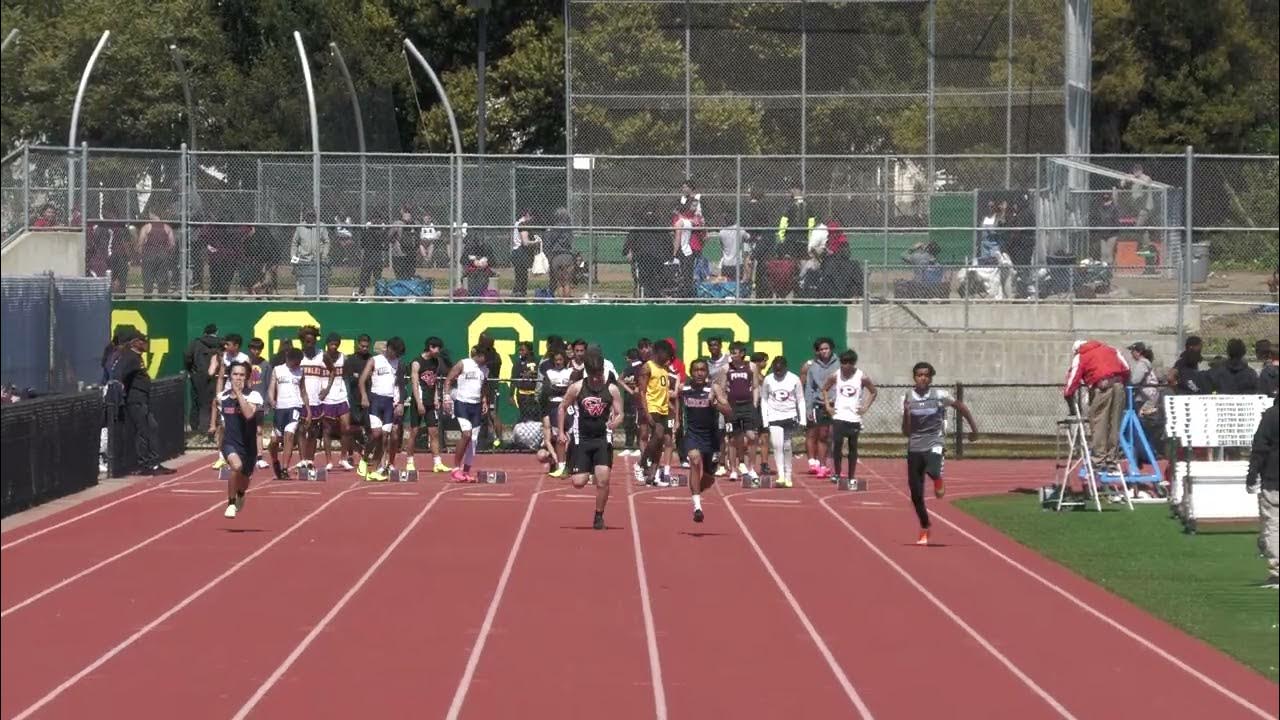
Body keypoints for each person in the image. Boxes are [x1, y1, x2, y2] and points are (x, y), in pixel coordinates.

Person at [902, 362, 978, 546]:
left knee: (934, 467)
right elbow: (906, 431)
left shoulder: (940, 395)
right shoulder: (907, 397)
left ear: (931, 377)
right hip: (915, 445)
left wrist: (974, 429)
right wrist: (906, 412)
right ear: (914, 377)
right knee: (916, 495)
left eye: (926, 375)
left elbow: (961, 407)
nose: (923, 378)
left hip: (935, 440)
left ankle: (937, 478)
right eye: (919, 375)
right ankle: (925, 525)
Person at [560, 349, 624, 530]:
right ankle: (583, 466)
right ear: (588, 372)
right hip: (582, 439)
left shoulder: (611, 389)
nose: (597, 378)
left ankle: (598, 516)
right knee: (578, 482)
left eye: (600, 374)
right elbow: (562, 407)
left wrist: (615, 423)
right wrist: (561, 432)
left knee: (603, 481)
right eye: (594, 375)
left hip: (603, 439)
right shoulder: (577, 387)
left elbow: (620, 414)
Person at [1063, 339, 1130, 473]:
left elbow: (1073, 378)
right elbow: (1126, 368)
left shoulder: (1081, 355)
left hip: (1102, 387)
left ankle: (1099, 459)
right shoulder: (1111, 349)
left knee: (1099, 421)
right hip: (1119, 385)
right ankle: (1112, 459)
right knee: (1114, 423)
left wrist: (1068, 394)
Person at [679, 359, 732, 522]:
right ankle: (697, 507)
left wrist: (715, 404)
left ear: (707, 372)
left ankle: (696, 492)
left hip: (711, 437)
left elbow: (729, 411)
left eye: (702, 370)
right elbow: (675, 403)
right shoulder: (684, 389)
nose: (699, 373)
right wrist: (675, 423)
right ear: (691, 372)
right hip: (692, 435)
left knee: (709, 478)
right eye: (696, 370)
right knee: (694, 460)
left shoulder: (713, 389)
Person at [821, 349, 877, 486]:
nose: (845, 366)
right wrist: (828, 406)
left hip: (854, 417)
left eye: (848, 363)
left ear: (853, 364)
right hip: (839, 415)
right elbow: (824, 388)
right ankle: (837, 473)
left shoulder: (861, 376)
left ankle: (851, 475)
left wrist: (865, 407)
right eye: (843, 363)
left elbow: (873, 392)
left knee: (853, 447)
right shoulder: (836, 375)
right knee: (837, 445)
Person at [220, 362, 265, 518]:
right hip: (230, 443)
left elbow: (248, 415)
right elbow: (220, 419)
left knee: (244, 482)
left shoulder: (254, 396)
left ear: (246, 377)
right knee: (236, 467)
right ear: (230, 376)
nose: (238, 378)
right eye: (235, 374)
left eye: (241, 375)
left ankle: (240, 494)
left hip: (248, 447)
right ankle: (231, 503)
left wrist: (239, 394)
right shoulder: (223, 397)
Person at [357, 337, 406, 481]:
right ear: (389, 348)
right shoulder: (375, 360)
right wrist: (364, 397)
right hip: (375, 400)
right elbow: (362, 380)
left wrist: (401, 403)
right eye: (395, 352)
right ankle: (365, 459)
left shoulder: (399, 364)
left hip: (389, 402)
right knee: (376, 434)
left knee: (384, 437)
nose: (396, 356)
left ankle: (376, 470)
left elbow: (401, 385)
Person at [634, 340, 679, 486]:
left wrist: (671, 408)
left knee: (662, 442)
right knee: (658, 434)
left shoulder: (665, 369)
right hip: (652, 407)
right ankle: (640, 463)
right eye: (666, 354)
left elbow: (663, 391)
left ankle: (652, 476)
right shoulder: (648, 367)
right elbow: (642, 391)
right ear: (659, 352)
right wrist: (646, 412)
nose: (668, 357)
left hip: (664, 408)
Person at [405, 337, 452, 475]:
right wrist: (419, 403)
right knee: (414, 432)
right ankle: (409, 461)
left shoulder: (436, 361)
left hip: (431, 401)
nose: (438, 351)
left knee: (434, 432)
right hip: (418, 401)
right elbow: (414, 384)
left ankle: (437, 463)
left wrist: (437, 397)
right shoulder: (416, 362)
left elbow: (435, 381)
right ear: (430, 347)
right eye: (437, 348)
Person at [444, 345, 491, 483]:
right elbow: (449, 379)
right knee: (466, 434)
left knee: (474, 440)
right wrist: (447, 397)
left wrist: (484, 401)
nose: (487, 361)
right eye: (485, 358)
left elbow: (483, 386)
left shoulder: (485, 369)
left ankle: (466, 471)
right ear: (480, 355)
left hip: (475, 406)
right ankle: (455, 469)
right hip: (462, 403)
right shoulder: (463, 363)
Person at [1246, 398, 1278, 588]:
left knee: (1273, 525)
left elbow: (1259, 449)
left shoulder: (1271, 415)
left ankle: (1277, 571)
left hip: (1273, 478)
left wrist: (1252, 475)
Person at [760, 356, 806, 488]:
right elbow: (764, 399)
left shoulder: (794, 379)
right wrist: (765, 420)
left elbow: (800, 399)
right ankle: (780, 474)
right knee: (777, 445)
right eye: (775, 370)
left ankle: (788, 475)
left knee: (786, 446)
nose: (778, 373)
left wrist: (802, 419)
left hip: (790, 416)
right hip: (774, 417)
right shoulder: (768, 379)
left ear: (785, 368)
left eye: (780, 370)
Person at [720, 341, 761, 483]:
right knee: (732, 439)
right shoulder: (726, 368)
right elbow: (722, 388)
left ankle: (751, 468)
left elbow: (755, 386)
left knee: (752, 436)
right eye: (730, 351)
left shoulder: (752, 366)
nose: (732, 354)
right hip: (732, 408)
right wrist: (724, 405)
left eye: (735, 352)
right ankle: (733, 470)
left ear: (742, 353)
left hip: (748, 406)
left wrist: (755, 402)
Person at [267, 347, 308, 479]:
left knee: (289, 435)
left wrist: (308, 410)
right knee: (274, 440)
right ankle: (275, 461)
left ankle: (284, 469)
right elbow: (271, 388)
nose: (298, 364)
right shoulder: (278, 370)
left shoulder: (301, 372)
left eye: (300, 362)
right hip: (280, 408)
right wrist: (272, 400)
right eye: (296, 361)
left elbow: (303, 391)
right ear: (288, 359)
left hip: (295, 407)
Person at [801, 337, 838, 478]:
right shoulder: (812, 367)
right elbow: (809, 388)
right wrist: (808, 408)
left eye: (826, 348)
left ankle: (834, 464)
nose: (824, 351)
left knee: (834, 435)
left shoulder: (839, 364)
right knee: (819, 434)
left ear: (831, 349)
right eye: (821, 349)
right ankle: (819, 464)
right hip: (819, 404)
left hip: (836, 405)